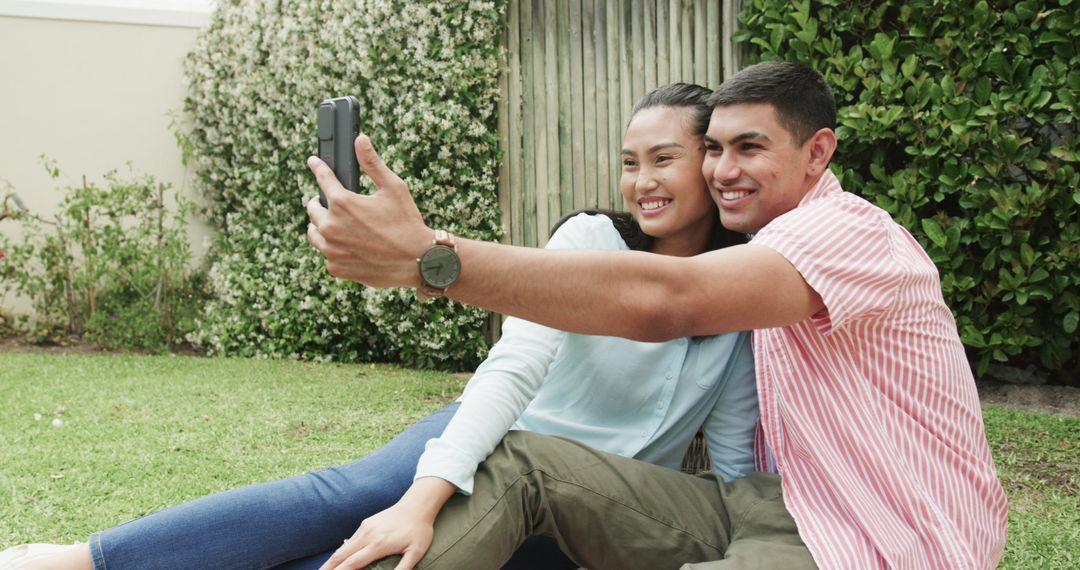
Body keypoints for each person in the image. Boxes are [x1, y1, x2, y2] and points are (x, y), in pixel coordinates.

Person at [1, 83, 759, 570]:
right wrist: (426, 490)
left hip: (576, 504)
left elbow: (730, 444)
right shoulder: (589, 243)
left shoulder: (741, 294)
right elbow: (513, 370)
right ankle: (84, 561)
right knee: (352, 496)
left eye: (665, 159)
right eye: (630, 162)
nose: (642, 181)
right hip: (489, 433)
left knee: (389, 557)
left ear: (712, 165)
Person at [302, 61, 1009, 569]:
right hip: (758, 501)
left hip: (876, 534)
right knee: (503, 464)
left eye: (750, 148)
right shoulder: (754, 261)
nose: (722, 170)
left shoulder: (846, 233)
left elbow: (667, 300)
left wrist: (434, 257)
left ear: (818, 152)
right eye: (716, 149)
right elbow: (731, 427)